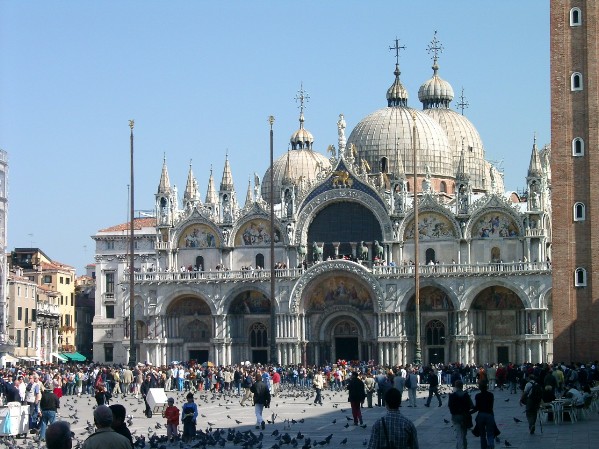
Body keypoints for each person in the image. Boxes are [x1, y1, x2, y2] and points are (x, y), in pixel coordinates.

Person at [471, 380, 496, 449]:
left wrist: (469, 412)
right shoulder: (491, 395)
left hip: (481, 415)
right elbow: (491, 406)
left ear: (480, 388)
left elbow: (477, 408)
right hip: (489, 414)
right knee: (490, 434)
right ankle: (491, 447)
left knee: (482, 435)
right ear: (487, 387)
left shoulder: (478, 396)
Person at [448, 380, 474, 449]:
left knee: (458, 435)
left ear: (456, 387)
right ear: (462, 386)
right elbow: (472, 406)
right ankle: (464, 447)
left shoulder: (452, 396)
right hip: (465, 417)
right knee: (464, 435)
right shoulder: (466, 395)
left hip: (455, 417)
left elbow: (450, 406)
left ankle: (459, 447)